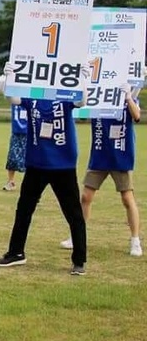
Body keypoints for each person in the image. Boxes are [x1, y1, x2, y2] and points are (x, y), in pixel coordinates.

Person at [0, 62, 89, 275]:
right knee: (24, 209)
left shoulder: (64, 97)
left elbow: (81, 101)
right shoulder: (34, 97)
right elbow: (14, 99)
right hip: (36, 163)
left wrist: (83, 79)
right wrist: (10, 77)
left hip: (62, 164)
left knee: (73, 212)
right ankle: (16, 253)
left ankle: (79, 260)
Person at [59, 83, 142, 257]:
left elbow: (137, 116)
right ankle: (77, 236)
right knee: (86, 196)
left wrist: (128, 97)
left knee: (127, 198)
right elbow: (80, 114)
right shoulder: (97, 97)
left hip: (120, 155)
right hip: (99, 155)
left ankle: (135, 240)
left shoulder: (125, 95)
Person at [2, 103, 28, 191]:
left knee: (29, 159)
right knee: (12, 158)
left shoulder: (31, 99)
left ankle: (29, 183)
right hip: (16, 133)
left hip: (30, 133)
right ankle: (11, 181)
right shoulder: (15, 100)